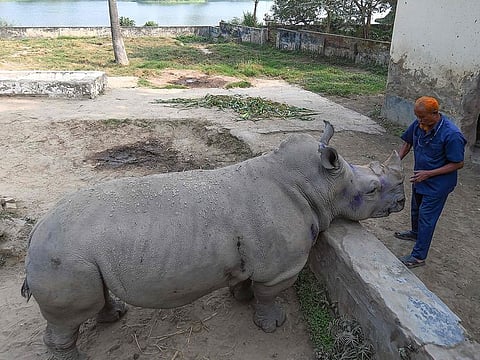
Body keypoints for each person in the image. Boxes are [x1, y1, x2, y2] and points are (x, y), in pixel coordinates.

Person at [394, 96, 466, 268]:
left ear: (435, 114)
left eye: (423, 117)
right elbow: (407, 143)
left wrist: (429, 173)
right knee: (416, 209)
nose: (419, 121)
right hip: (421, 178)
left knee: (427, 217)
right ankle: (415, 233)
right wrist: (394, 161)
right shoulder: (420, 124)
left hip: (438, 184)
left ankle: (418, 257)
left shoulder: (452, 134)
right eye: (417, 116)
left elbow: (458, 163)